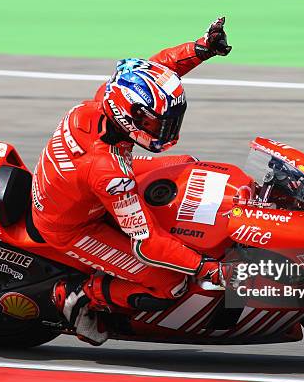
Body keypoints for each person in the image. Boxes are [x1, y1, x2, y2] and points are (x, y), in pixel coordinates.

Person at [31, 17, 232, 345]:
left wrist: (202, 49)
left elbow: (158, 68)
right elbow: (147, 241)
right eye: (155, 120)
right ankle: (79, 297)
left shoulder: (107, 101)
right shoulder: (110, 173)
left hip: (77, 185)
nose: (163, 127)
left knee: (187, 165)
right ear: (130, 115)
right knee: (171, 283)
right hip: (74, 227)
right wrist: (206, 267)